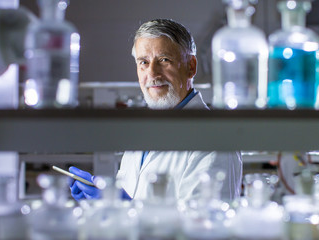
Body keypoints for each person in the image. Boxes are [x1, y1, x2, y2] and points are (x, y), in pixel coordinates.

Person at [69, 19, 243, 201]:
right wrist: (107, 204)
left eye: (164, 60)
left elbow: (203, 224)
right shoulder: (141, 134)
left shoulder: (215, 139)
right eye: (143, 62)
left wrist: (126, 207)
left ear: (191, 67)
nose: (152, 73)